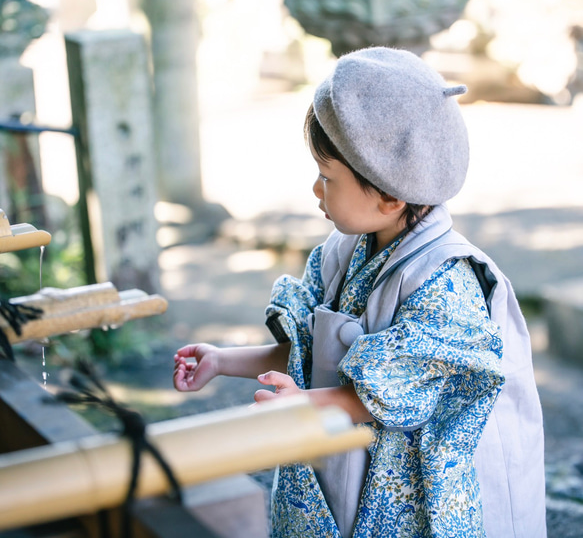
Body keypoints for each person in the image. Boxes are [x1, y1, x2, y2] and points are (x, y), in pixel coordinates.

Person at [173, 47, 546, 538]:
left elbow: (396, 392)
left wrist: (305, 404)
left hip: (401, 499)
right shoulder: (342, 252)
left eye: (327, 177)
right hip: (339, 464)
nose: (315, 190)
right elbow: (312, 350)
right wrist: (224, 361)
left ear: (390, 196)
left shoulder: (444, 281)